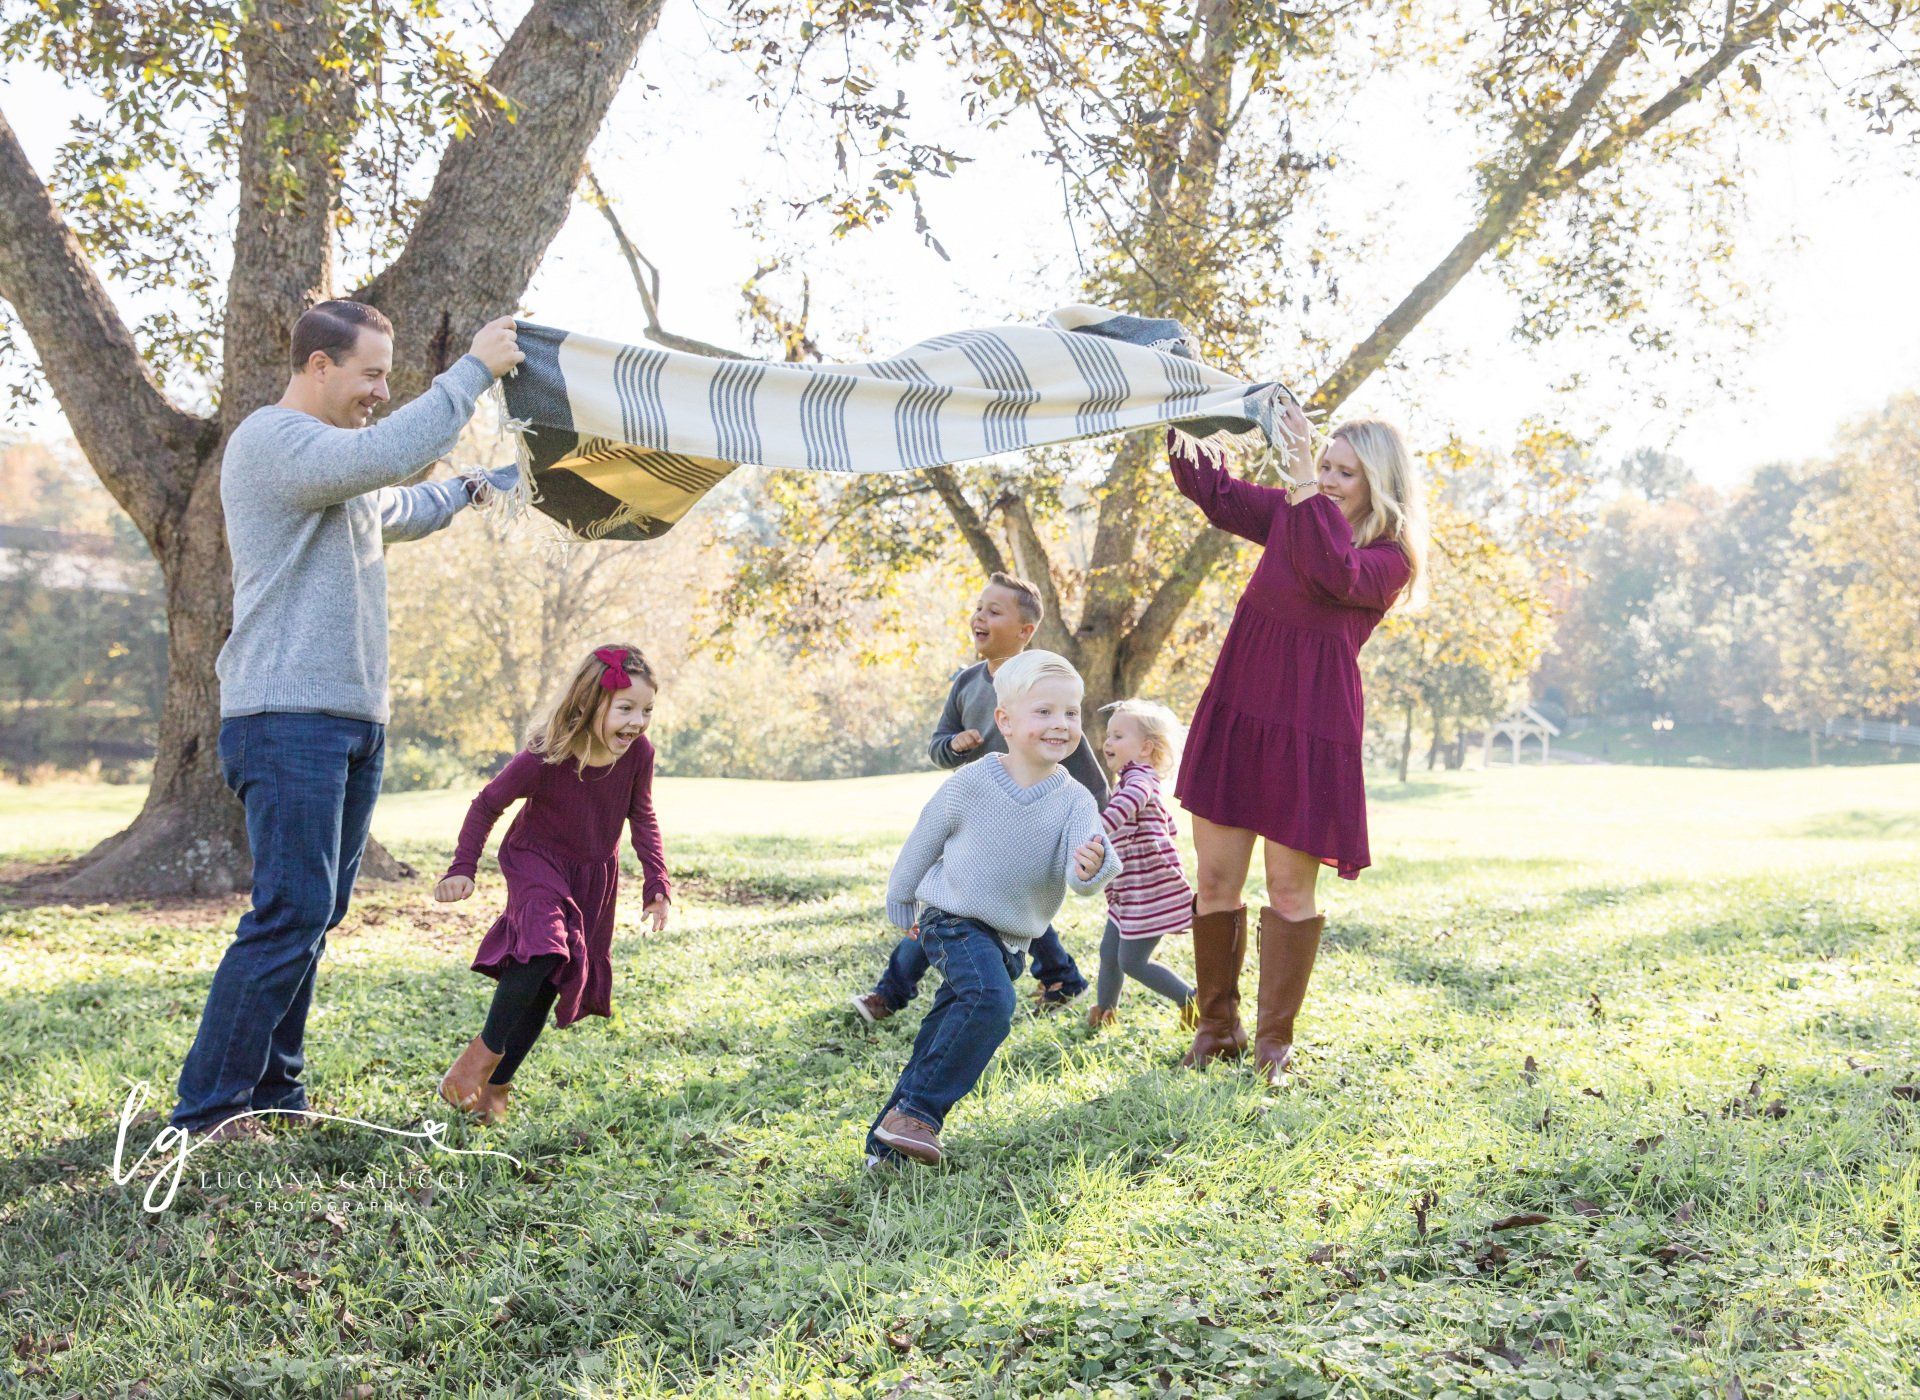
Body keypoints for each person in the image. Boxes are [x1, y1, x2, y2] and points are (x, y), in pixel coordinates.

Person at [169, 301, 523, 1141]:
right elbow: (388, 454)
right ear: (319, 365)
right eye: (371, 374)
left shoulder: (336, 473)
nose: (380, 392)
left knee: (316, 913)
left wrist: (485, 486)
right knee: (290, 912)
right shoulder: (273, 441)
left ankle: (273, 1090)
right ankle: (208, 1110)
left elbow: (402, 504)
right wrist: (475, 370)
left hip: (350, 720)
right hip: (286, 718)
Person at [1166, 407, 1427, 1080]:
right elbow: (1213, 492)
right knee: (1215, 882)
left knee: (1288, 893)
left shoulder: (1389, 559)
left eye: (1345, 472)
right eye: (1325, 466)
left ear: (1380, 484)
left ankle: (1272, 1047)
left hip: (1311, 732)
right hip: (1239, 713)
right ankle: (1215, 1031)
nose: (1329, 480)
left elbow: (1331, 571)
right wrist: (1183, 412)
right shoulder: (1292, 513)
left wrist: (1304, 478)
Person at [866, 651, 1121, 1166]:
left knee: (943, 1035)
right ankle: (919, 1114)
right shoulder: (972, 781)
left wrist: (1093, 865)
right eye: (1044, 711)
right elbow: (926, 835)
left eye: (1071, 713)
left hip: (1011, 940)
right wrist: (901, 894)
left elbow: (1083, 875)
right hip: (951, 917)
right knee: (991, 1000)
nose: (1061, 723)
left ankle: (886, 1149)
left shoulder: (1075, 800)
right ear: (1004, 720)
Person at [850, 572, 1105, 1023]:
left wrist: (1093, 835)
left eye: (994, 611)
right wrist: (954, 745)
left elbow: (1085, 777)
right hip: (973, 823)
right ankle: (1058, 975)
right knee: (949, 903)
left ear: (1025, 631)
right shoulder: (967, 683)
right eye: (979, 608)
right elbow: (938, 744)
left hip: (1030, 826)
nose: (979, 617)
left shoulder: (1045, 692)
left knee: (997, 907)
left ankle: (892, 994)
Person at [435, 645, 672, 1122]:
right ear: (589, 702)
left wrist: (657, 883)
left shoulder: (638, 755)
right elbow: (487, 804)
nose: (637, 722)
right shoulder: (548, 754)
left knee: (548, 983)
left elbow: (642, 816)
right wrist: (462, 867)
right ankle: (477, 1059)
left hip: (592, 876)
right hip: (536, 861)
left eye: (646, 710)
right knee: (545, 946)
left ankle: (495, 1090)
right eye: (625, 708)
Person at [1086, 699, 1196, 1029]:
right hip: (1130, 890)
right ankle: (1105, 1012)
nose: (1108, 742)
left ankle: (1193, 1000)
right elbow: (1167, 826)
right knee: (1109, 953)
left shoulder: (1139, 780)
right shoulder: (1131, 780)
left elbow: (1129, 803)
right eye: (1109, 735)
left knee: (1132, 961)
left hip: (1149, 890)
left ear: (1146, 748)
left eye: (1118, 736)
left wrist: (1098, 830)